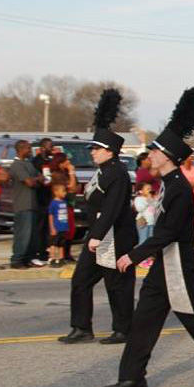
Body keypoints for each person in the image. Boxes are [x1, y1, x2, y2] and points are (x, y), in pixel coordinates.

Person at [103, 85, 194, 387]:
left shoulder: (180, 189)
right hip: (164, 266)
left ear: (167, 157)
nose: (150, 155)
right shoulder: (169, 183)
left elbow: (168, 233)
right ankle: (132, 378)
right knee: (144, 319)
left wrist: (134, 254)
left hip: (177, 266)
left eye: (155, 151)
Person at [59, 89, 137, 345]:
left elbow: (113, 208)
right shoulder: (103, 171)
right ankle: (81, 327)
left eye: (97, 149)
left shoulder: (118, 173)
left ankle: (124, 329)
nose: (92, 152)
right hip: (100, 236)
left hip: (113, 237)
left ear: (110, 151)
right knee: (80, 281)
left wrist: (95, 236)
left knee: (118, 285)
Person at [9, 140, 44, 269]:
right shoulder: (17, 165)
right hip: (23, 205)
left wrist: (38, 179)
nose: (30, 151)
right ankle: (17, 259)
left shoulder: (28, 164)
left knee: (32, 235)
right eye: (28, 148)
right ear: (21, 149)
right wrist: (37, 180)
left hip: (33, 204)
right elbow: (29, 182)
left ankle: (28, 258)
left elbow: (40, 177)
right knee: (23, 234)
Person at [49, 153, 78, 261]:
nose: (69, 163)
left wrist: (71, 174)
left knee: (70, 229)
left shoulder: (65, 173)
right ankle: (58, 256)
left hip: (69, 204)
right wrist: (71, 173)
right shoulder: (56, 175)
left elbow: (75, 188)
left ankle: (67, 253)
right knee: (61, 232)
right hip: (60, 206)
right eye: (66, 161)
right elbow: (70, 188)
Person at [32, 137, 55, 263]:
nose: (52, 149)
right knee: (40, 227)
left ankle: (45, 251)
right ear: (42, 148)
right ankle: (38, 252)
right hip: (40, 198)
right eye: (49, 146)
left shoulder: (51, 161)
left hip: (50, 198)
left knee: (47, 227)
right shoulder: (36, 161)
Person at [47, 184, 70, 267]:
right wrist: (52, 227)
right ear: (56, 192)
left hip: (63, 227)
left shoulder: (64, 202)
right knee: (54, 244)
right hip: (56, 227)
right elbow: (50, 216)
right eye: (63, 191)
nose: (65, 193)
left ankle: (60, 258)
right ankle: (52, 258)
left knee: (61, 243)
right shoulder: (53, 203)